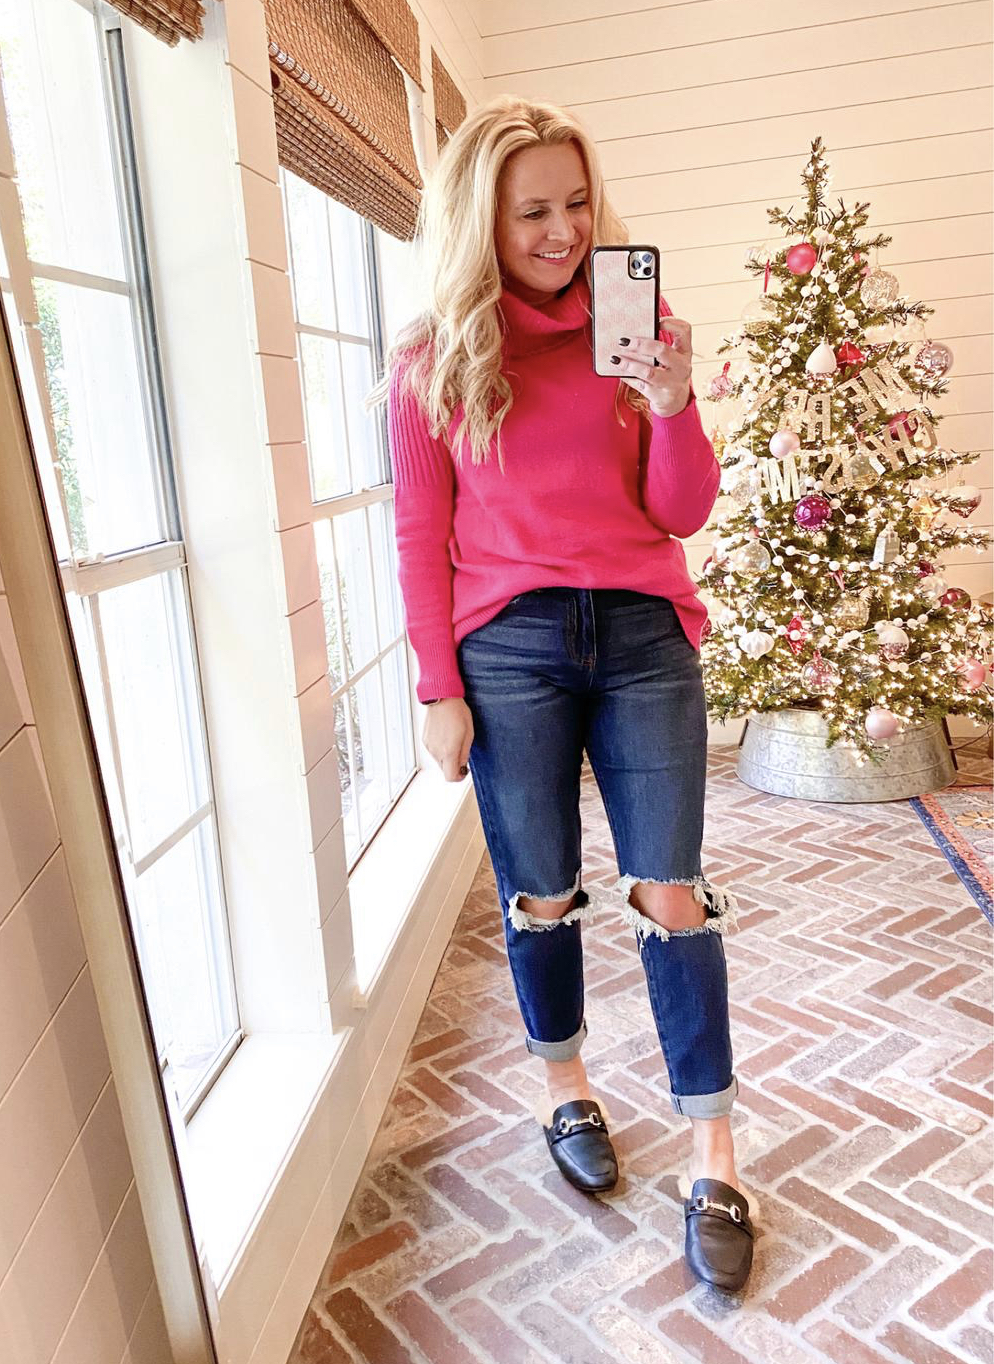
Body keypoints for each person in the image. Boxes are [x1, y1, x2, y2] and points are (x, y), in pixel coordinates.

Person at [370, 94, 756, 1292]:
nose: (561, 232)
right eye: (532, 210)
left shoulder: (640, 331)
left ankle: (714, 1149)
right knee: (539, 888)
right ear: (479, 220)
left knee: (672, 891)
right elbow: (417, 534)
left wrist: (679, 399)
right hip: (511, 650)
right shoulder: (434, 362)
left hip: (643, 633)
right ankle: (568, 1087)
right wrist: (439, 685)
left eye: (576, 204)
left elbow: (682, 508)